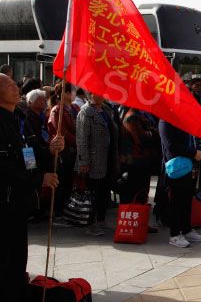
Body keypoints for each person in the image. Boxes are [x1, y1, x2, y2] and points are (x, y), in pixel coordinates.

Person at [0, 73, 62, 301]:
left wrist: (50, 151)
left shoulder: (17, 116)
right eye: (8, 85)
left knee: (18, 258)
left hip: (18, 202)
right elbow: (4, 165)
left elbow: (28, 154)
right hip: (4, 203)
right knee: (6, 258)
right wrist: (38, 179)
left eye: (14, 84)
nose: (15, 88)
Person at [76, 93, 119, 236]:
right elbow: (82, 139)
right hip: (94, 160)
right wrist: (84, 162)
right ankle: (91, 223)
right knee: (93, 192)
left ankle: (101, 219)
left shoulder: (106, 110)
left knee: (103, 191)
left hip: (108, 157)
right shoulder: (86, 112)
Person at [159, 119, 201, 248]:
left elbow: (196, 137)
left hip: (191, 165)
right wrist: (193, 152)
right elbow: (171, 146)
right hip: (176, 166)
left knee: (187, 199)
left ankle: (187, 230)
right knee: (176, 201)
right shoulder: (165, 121)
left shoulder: (185, 119)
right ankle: (174, 235)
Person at [48, 82, 77, 220]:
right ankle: (57, 212)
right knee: (61, 182)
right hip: (63, 151)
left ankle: (67, 209)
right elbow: (61, 131)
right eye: (71, 92)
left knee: (70, 181)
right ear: (64, 93)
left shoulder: (74, 108)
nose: (73, 94)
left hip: (74, 151)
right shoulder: (57, 110)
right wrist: (77, 140)